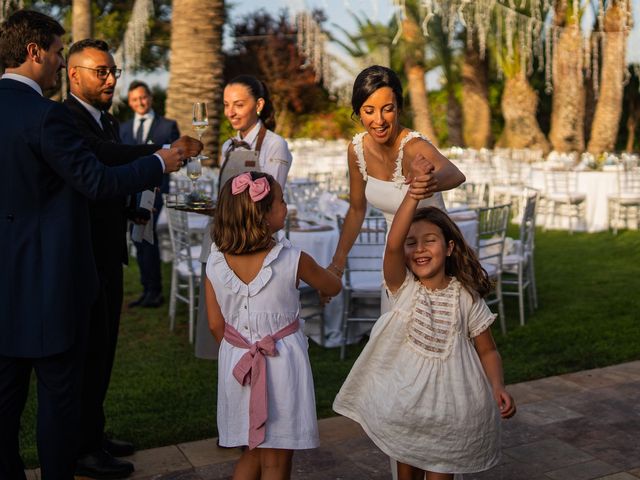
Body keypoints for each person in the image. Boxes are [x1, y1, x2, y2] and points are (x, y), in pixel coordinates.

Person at [0, 10, 184, 480]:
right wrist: (161, 162)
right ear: (34, 51)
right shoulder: (47, 117)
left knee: (4, 406)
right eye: (59, 53)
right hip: (51, 285)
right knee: (60, 401)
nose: (60, 64)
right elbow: (97, 180)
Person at [63, 39, 201, 478]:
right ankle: (82, 447)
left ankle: (93, 432)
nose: (110, 79)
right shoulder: (67, 119)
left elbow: (110, 173)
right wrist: (164, 156)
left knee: (103, 351)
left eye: (113, 72)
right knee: (88, 354)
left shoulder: (107, 120)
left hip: (108, 250)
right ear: (74, 74)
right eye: (100, 72)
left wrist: (130, 209)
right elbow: (103, 163)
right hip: (82, 255)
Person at [333, 169, 517, 480]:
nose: (419, 249)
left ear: (448, 247)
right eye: (412, 243)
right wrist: (412, 196)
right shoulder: (402, 289)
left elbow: (487, 351)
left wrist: (497, 385)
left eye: (429, 240)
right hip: (407, 410)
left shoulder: (466, 297)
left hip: (452, 413)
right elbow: (392, 244)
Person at [205, 171, 341, 479]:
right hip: (281, 367)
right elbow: (332, 287)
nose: (286, 205)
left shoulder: (214, 262)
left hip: (237, 366)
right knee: (277, 460)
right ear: (264, 215)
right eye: (281, 200)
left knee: (252, 452)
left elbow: (215, 323)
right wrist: (332, 271)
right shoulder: (293, 258)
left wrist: (240, 353)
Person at [327, 65, 465, 285]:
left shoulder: (413, 146)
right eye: (369, 110)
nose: (379, 120)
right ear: (358, 111)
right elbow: (356, 209)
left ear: (399, 108)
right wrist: (337, 264)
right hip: (394, 259)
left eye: (387, 109)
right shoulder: (357, 150)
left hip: (433, 256)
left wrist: (427, 183)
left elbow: (455, 174)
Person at [195, 74, 293, 359]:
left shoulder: (275, 145)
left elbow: (271, 199)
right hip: (224, 234)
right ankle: (230, 358)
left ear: (259, 104)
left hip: (255, 243)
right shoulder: (228, 146)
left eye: (238, 104)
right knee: (222, 311)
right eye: (227, 105)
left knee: (253, 315)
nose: (230, 112)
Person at [120, 80, 181, 308]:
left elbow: (178, 159)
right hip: (131, 191)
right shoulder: (123, 129)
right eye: (135, 99)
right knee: (139, 240)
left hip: (155, 191)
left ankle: (155, 291)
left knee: (149, 237)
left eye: (143, 97)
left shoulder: (167, 126)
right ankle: (147, 290)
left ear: (151, 98)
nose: (140, 102)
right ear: (130, 102)